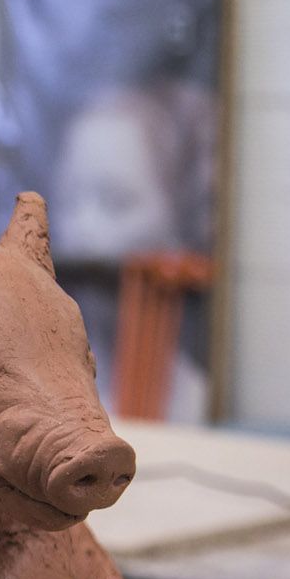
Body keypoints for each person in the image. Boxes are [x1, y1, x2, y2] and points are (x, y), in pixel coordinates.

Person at [51, 79, 216, 422]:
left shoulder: (193, 404)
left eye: (115, 202)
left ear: (178, 224)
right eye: (69, 200)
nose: (82, 229)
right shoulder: (31, 388)